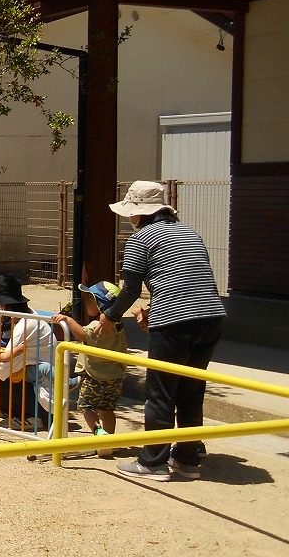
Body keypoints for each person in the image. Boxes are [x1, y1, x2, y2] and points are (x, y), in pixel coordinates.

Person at [93, 181, 225, 482]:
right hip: (210, 317)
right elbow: (186, 279)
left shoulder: (140, 239)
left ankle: (153, 462)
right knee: (191, 389)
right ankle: (188, 459)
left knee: (160, 392)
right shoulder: (190, 233)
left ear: (138, 212)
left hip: (175, 322)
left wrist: (109, 316)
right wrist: (154, 311)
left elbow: (129, 290)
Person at [51, 281, 127, 459]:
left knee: (86, 407)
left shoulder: (97, 326)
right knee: (107, 409)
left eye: (91, 300)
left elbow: (83, 335)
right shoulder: (119, 326)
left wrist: (68, 320)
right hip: (115, 377)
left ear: (101, 306)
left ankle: (98, 433)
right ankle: (109, 442)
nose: (87, 303)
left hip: (95, 377)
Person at [0, 274, 54, 431]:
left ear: (4, 305)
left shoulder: (25, 325)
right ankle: (11, 411)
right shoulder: (24, 317)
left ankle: (34, 416)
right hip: (36, 380)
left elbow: (3, 369)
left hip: (42, 390)